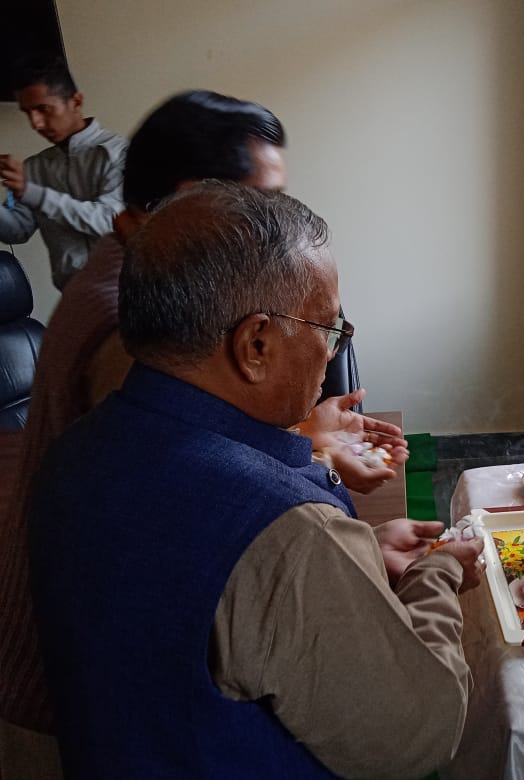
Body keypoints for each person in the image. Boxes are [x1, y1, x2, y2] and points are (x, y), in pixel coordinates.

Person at [0, 90, 408, 777]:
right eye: (266, 202)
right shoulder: (133, 329)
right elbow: (192, 505)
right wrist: (324, 473)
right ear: (196, 201)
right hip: (70, 696)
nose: (279, 222)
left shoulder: (133, 269)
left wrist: (313, 443)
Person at [28, 181, 485, 778]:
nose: (330, 350)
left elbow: (185, 595)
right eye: (329, 326)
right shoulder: (288, 532)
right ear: (256, 344)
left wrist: (357, 562)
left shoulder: (73, 454)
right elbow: (417, 737)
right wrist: (437, 573)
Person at [0, 53, 126, 290]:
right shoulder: (33, 168)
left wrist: (32, 192)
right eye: (27, 113)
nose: (35, 123)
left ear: (76, 102)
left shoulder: (117, 153)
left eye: (43, 109)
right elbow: (17, 232)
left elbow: (110, 222)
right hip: (75, 298)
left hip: (130, 294)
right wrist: (18, 193)